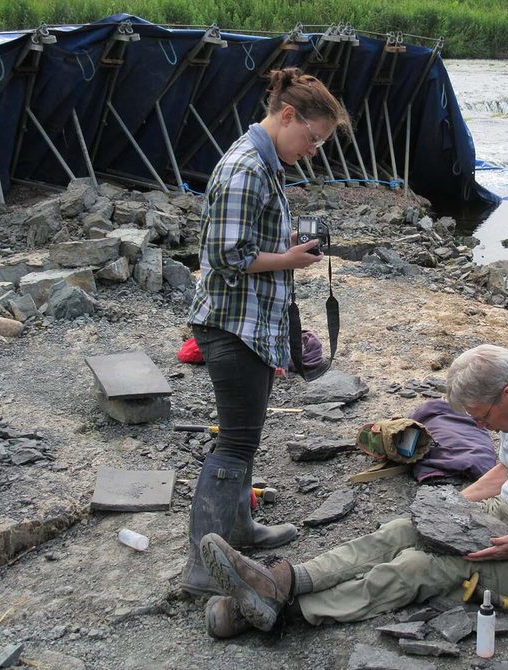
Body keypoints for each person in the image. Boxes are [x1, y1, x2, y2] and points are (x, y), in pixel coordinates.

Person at [197, 344, 508, 637]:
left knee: (421, 567)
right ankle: (282, 580)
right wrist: (453, 508)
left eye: (482, 416)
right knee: (400, 531)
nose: (481, 428)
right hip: (505, 516)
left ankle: (283, 613)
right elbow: (505, 469)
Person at [180, 68, 349, 597]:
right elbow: (223, 255)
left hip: (250, 325)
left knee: (245, 440)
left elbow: (248, 236)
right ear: (287, 115)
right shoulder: (247, 167)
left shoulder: (269, 162)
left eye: (321, 143)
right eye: (313, 138)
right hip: (232, 328)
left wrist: (290, 243)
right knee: (233, 445)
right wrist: (291, 259)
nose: (314, 149)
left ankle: (239, 529)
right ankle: (203, 567)